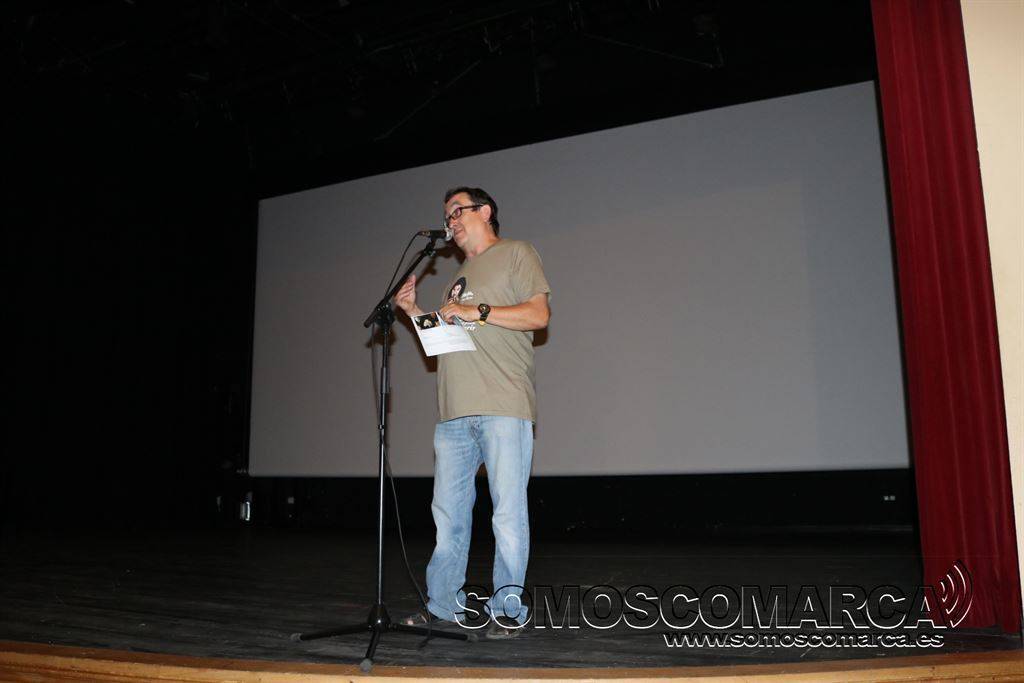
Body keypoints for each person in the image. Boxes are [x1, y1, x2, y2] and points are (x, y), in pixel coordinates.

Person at [394, 186, 551, 639]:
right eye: (447, 216)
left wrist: (477, 310)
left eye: (457, 211)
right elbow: (445, 342)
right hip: (454, 414)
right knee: (449, 517)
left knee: (507, 514)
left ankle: (508, 609)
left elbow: (538, 315)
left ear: (485, 211)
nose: (450, 222)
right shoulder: (455, 279)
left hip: (503, 404)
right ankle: (444, 605)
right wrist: (413, 311)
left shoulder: (517, 253)